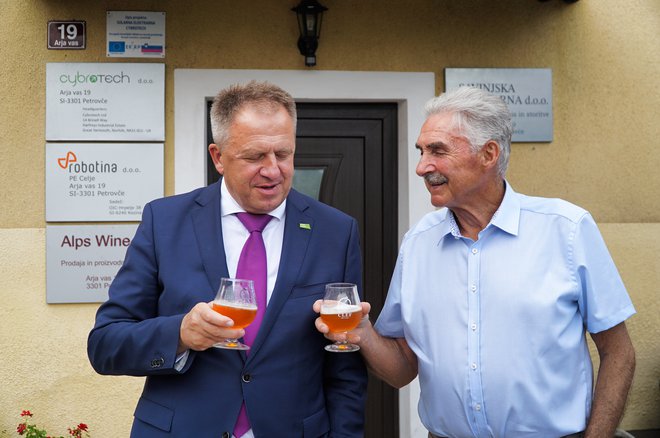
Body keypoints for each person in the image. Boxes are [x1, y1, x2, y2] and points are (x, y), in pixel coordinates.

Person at [314, 86, 636, 438]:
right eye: (421, 152)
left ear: (489, 154)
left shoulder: (567, 229)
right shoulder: (418, 243)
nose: (422, 167)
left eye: (438, 151)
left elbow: (618, 352)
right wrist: (364, 335)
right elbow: (403, 369)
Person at [88, 81, 367, 437]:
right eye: (254, 157)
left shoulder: (336, 231)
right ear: (218, 157)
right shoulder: (165, 221)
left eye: (283, 154)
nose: (272, 170)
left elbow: (345, 369)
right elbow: (105, 344)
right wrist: (180, 334)